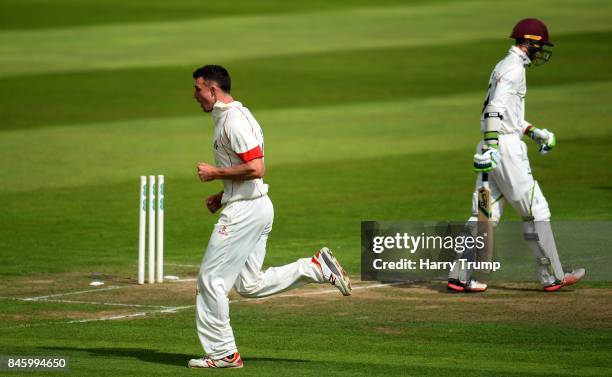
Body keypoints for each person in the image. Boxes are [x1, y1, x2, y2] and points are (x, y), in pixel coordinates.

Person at [188, 65, 351, 369]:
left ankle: (224, 353)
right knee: (248, 284)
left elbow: (257, 168)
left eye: (198, 89)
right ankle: (315, 267)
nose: (194, 96)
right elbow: (248, 172)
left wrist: (215, 174)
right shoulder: (229, 117)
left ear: (213, 89)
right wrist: (223, 195)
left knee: (211, 280)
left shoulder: (234, 121)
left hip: (246, 213)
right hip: (255, 205)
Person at [447, 19, 585, 293]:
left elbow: (507, 114)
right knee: (536, 211)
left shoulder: (504, 65)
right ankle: (552, 276)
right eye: (540, 45)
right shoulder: (513, 70)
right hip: (505, 150)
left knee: (485, 214)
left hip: (496, 144)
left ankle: (460, 275)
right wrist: (494, 147)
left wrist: (534, 132)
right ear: (530, 43)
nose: (541, 50)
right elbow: (494, 110)